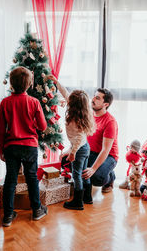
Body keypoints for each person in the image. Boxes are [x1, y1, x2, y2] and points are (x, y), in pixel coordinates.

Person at [0, 67, 47, 227]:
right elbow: (43, 126)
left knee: (10, 180)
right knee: (32, 177)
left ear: (11, 83)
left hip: (11, 147)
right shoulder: (34, 102)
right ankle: (37, 210)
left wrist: (1, 149)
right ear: (29, 84)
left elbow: (0, 130)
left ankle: (8, 215)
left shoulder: (5, 103)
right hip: (30, 146)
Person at [48, 75, 95, 210]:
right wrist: (56, 82)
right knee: (84, 173)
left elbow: (79, 138)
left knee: (77, 175)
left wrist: (73, 152)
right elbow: (65, 93)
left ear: (73, 104)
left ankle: (78, 202)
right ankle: (88, 198)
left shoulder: (77, 119)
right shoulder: (80, 112)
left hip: (79, 149)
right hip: (85, 148)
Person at [82, 88, 118, 202]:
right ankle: (102, 169)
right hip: (91, 152)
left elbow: (106, 150)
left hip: (109, 156)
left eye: (97, 98)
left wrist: (93, 168)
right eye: (94, 96)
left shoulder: (110, 122)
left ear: (105, 104)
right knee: (69, 163)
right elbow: (81, 137)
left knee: (97, 178)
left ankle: (110, 177)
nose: (93, 99)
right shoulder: (89, 115)